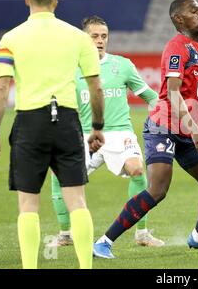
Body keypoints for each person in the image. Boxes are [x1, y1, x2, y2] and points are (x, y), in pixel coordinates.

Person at [92, 0, 198, 258]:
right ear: (178, 19)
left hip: (188, 132)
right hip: (162, 126)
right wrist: (195, 128)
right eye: (193, 10)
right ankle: (104, 242)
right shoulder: (176, 47)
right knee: (157, 190)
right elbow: (173, 94)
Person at [0, 0, 105, 269]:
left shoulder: (10, 39)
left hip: (29, 122)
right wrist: (97, 127)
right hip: (67, 121)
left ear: (27, 0)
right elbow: (96, 88)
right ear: (55, 2)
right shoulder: (79, 38)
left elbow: (1, 88)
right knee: (77, 200)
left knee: (28, 204)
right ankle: (86, 266)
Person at [48, 15, 164, 250]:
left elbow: (149, 96)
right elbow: (55, 102)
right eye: (95, 36)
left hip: (119, 133)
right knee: (58, 177)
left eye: (104, 36)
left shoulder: (122, 65)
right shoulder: (70, 68)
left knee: (137, 170)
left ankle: (141, 233)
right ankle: (65, 233)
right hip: (83, 135)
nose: (100, 41)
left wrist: (167, 110)